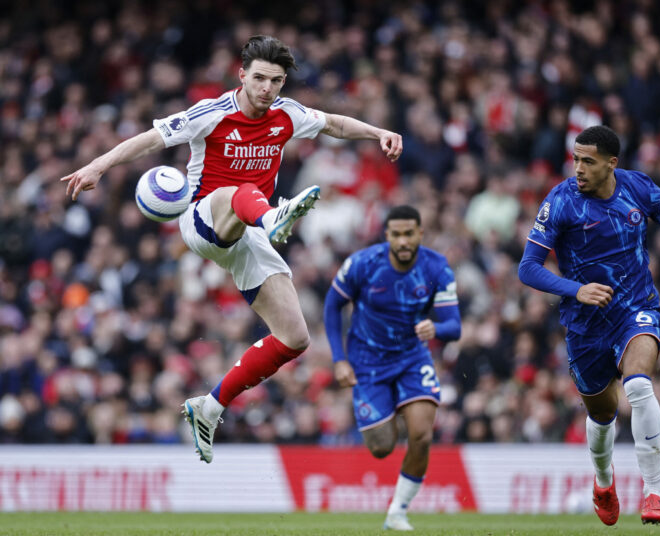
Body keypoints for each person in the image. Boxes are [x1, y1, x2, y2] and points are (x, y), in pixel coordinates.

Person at [61, 35, 403, 463]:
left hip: (251, 234)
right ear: (242, 75)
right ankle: (273, 216)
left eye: (275, 81)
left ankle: (210, 406)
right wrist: (97, 166)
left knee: (295, 337)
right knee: (236, 191)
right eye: (259, 78)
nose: (267, 88)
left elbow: (333, 123)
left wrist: (378, 132)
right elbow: (150, 140)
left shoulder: (286, 113)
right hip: (206, 218)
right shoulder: (212, 113)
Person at [518, 125, 660, 526]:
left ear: (612, 163)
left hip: (635, 309)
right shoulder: (559, 201)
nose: (578, 168)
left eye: (587, 161)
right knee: (602, 414)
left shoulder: (640, 189)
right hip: (584, 326)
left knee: (639, 384)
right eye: (575, 159)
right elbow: (528, 268)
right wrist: (577, 290)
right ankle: (604, 481)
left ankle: (654, 493)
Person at [323, 205, 461, 531]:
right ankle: (396, 405)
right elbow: (332, 306)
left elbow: (454, 326)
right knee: (382, 447)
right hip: (367, 364)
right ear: (387, 235)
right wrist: (339, 359)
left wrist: (436, 330)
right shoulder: (363, 264)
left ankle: (398, 511)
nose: (402, 241)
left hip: (412, 359)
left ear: (420, 234)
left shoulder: (437, 268)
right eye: (396, 234)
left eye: (409, 234)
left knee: (422, 435)